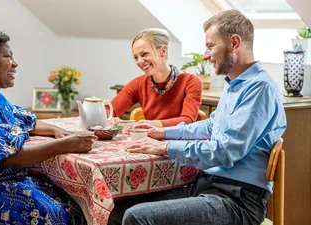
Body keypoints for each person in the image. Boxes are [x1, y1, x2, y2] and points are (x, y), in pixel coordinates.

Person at [108, 10, 287, 225]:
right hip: (209, 185)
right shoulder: (236, 85)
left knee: (137, 217)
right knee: (116, 209)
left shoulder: (259, 89)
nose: (205, 54)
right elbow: (212, 126)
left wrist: (166, 147)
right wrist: (163, 133)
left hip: (237, 201)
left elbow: (226, 150)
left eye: (211, 46)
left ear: (235, 43)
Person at [0, 28, 97, 224]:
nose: (15, 63)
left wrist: (56, 131)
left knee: (72, 204)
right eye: (7, 56)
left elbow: (25, 122)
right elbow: (9, 157)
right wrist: (65, 145)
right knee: (55, 214)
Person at [106, 28, 202, 128]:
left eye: (144, 54)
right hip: (151, 141)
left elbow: (187, 121)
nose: (139, 61)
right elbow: (108, 109)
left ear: (162, 51)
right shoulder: (138, 84)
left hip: (180, 142)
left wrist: (151, 124)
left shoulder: (191, 82)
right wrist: (110, 118)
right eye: (136, 57)